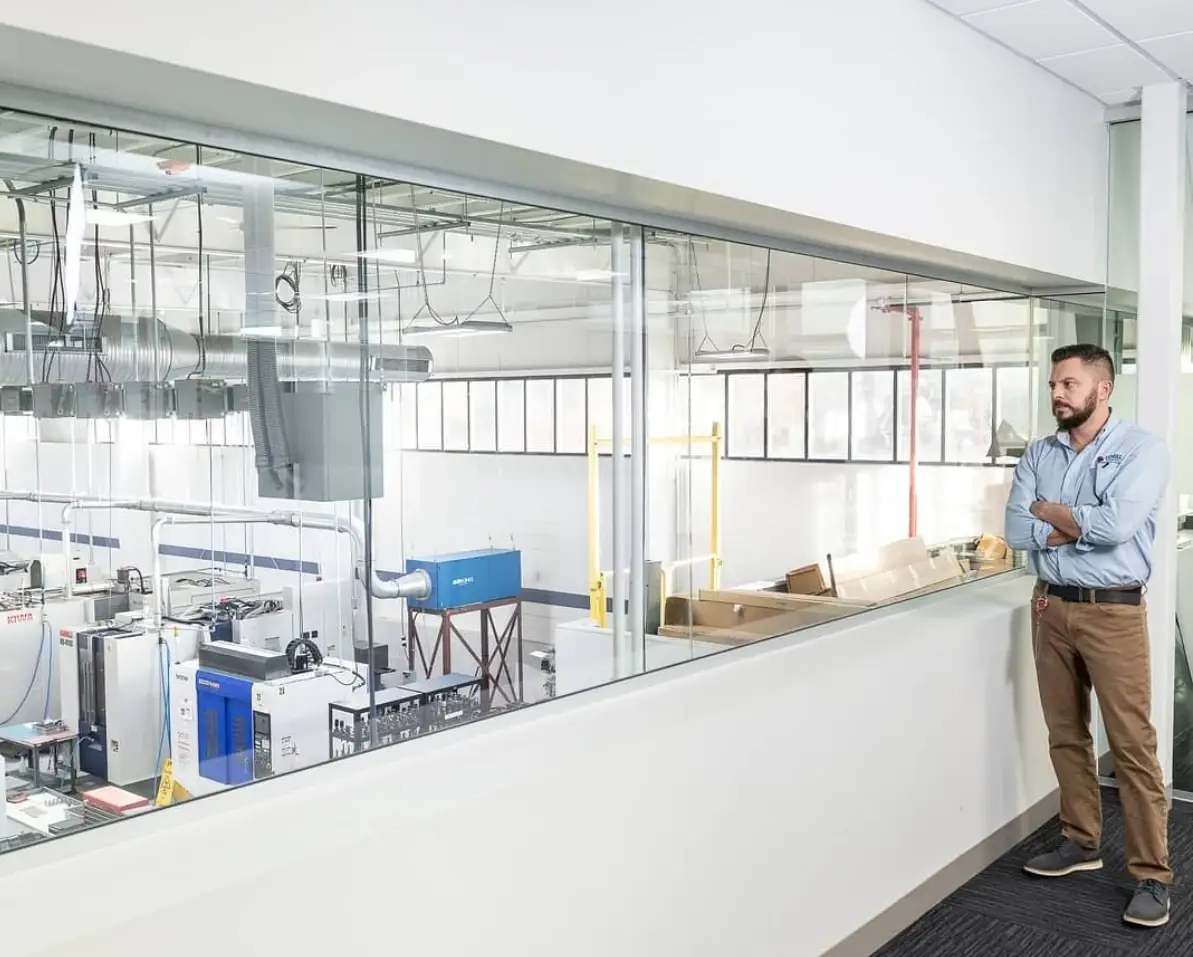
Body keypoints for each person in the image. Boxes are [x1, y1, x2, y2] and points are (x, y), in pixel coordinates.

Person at [1004, 343, 1172, 928]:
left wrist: (1052, 513)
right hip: (1050, 608)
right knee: (1065, 734)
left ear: (1102, 390)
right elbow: (1015, 528)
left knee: (1131, 745)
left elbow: (1119, 524)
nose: (1056, 394)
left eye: (1069, 385)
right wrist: (1069, 519)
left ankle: (1153, 874)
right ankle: (1081, 842)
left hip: (1113, 612)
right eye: (1054, 383)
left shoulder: (1141, 449)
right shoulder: (1039, 452)